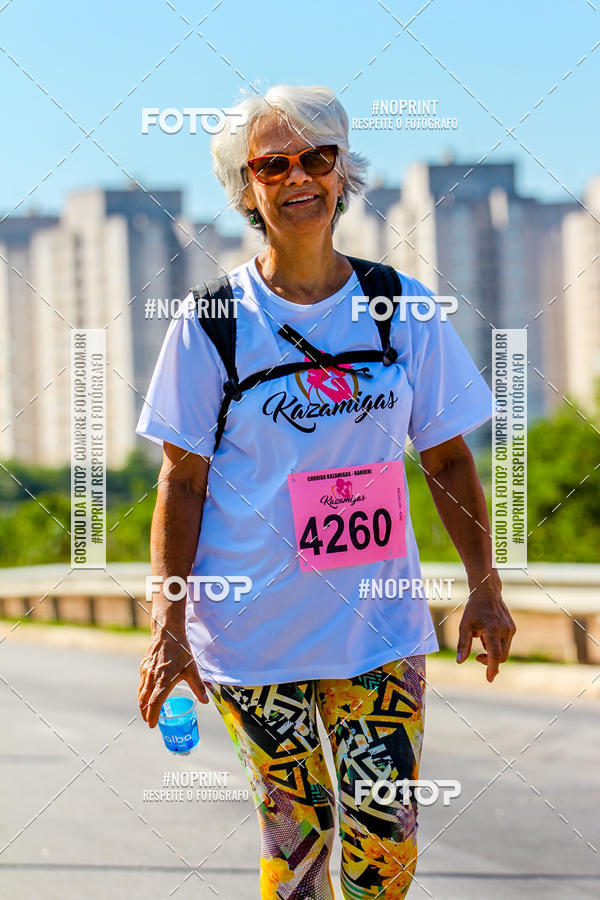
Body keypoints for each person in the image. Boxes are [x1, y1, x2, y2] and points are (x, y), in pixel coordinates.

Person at [136, 84, 515, 899]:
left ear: (343, 173)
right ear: (247, 188)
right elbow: (183, 479)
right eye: (273, 163)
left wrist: (484, 585)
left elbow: (446, 462)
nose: (298, 176)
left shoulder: (400, 308)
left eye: (318, 157)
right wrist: (166, 624)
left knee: (386, 853)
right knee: (297, 850)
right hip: (251, 635)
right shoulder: (212, 323)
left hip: (378, 628)